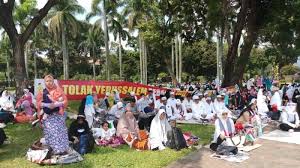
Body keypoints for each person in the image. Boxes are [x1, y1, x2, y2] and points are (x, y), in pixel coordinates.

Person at [36, 74, 69, 155]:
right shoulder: (42, 92)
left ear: (53, 81)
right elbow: (38, 103)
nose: (49, 83)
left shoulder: (59, 90)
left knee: (61, 132)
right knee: (51, 132)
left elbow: (65, 101)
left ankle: (63, 149)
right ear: (44, 82)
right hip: (48, 117)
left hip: (58, 115)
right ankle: (53, 149)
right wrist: (47, 105)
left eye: (50, 81)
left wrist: (57, 104)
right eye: (47, 81)